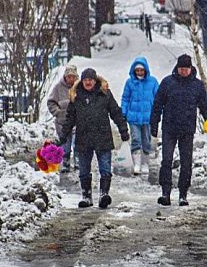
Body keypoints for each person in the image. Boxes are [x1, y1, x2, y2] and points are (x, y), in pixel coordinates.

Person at [57, 68, 130, 209]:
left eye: (90, 80)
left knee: (105, 168)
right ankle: (86, 196)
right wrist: (63, 136)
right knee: (84, 169)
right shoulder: (76, 96)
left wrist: (123, 130)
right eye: (85, 80)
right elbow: (70, 118)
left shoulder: (104, 93)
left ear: (95, 80)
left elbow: (116, 112)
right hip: (83, 138)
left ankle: (104, 194)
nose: (88, 83)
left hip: (103, 136)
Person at [150, 54, 207, 206]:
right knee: (167, 160)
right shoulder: (167, 83)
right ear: (177, 68)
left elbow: (205, 107)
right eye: (181, 69)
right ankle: (165, 193)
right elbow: (157, 104)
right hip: (169, 128)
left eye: (186, 69)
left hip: (187, 129)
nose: (183, 71)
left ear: (191, 69)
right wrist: (154, 124)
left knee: (186, 162)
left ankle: (183, 194)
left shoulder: (197, 85)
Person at [121, 56, 159, 175]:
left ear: (145, 70)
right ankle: (136, 163)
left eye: (141, 70)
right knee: (136, 139)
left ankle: (145, 163)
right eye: (137, 70)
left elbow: (158, 98)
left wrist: (157, 113)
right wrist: (124, 112)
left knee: (146, 141)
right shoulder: (130, 82)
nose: (139, 72)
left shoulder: (153, 82)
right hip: (133, 117)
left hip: (148, 117)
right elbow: (125, 98)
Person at [47, 64, 78, 172]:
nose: (71, 79)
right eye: (69, 77)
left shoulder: (79, 87)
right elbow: (51, 102)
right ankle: (66, 163)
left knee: (77, 143)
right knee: (65, 144)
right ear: (65, 77)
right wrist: (57, 112)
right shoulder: (58, 87)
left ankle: (78, 162)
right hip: (62, 122)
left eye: (73, 77)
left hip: (77, 121)